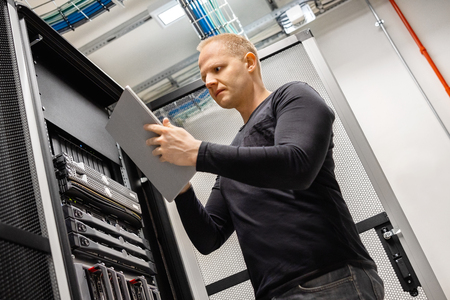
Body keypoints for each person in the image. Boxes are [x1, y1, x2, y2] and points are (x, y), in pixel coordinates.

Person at [144, 33, 384, 300]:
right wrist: (180, 186)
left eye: (217, 69)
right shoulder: (233, 155)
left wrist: (198, 152)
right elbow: (208, 238)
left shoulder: (292, 97)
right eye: (204, 78)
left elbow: (298, 165)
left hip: (328, 280)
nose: (209, 82)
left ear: (249, 63)